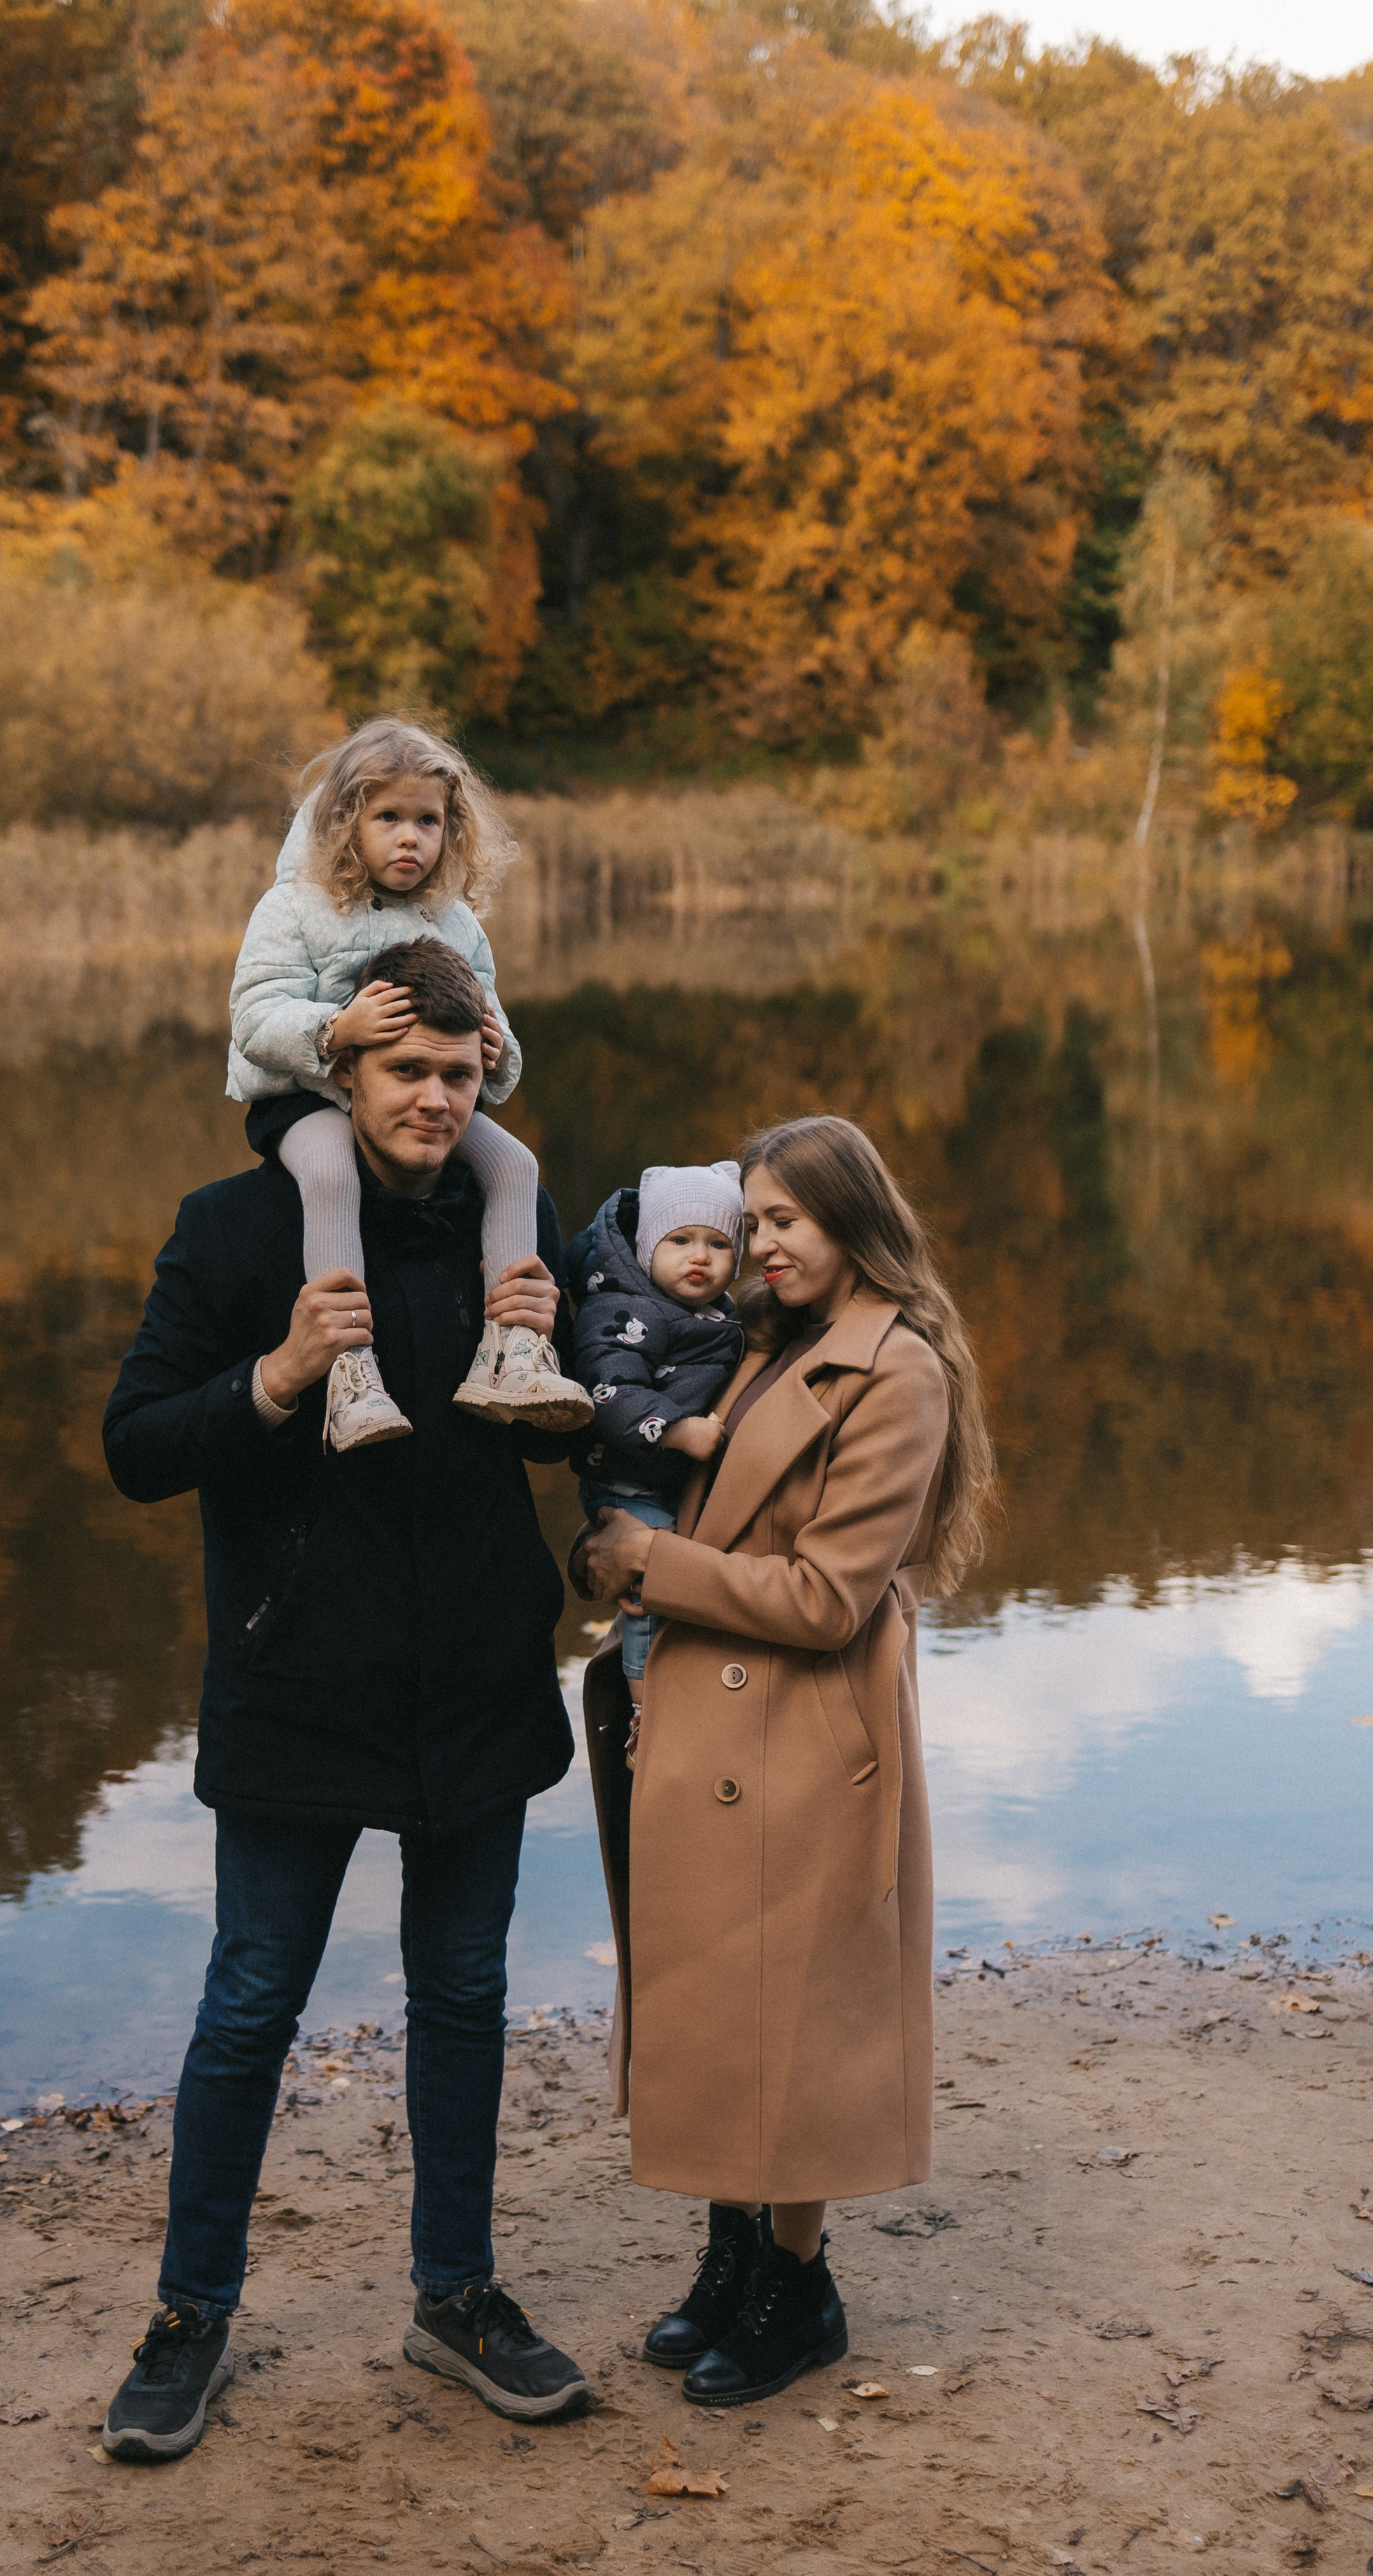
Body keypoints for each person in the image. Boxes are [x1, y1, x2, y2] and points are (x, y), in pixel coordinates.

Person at [98, 936, 592, 2464]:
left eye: (459, 1074)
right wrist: (273, 1375)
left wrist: (552, 1339)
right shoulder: (239, 1228)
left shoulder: (514, 1223)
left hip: (476, 1683)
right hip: (296, 1677)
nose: (435, 1098)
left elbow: (552, 1443)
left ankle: (454, 2297)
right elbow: (133, 1444)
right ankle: (190, 2316)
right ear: (345, 1069)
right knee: (250, 2000)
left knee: (463, 1998)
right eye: (406, 1071)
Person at [574, 1114, 994, 2408]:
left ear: (851, 1220)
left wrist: (641, 1563)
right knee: (714, 2004)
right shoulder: (761, 1341)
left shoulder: (897, 1372)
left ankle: (798, 2288)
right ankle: (730, 2255)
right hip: (711, 1717)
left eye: (784, 1221)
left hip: (808, 1730)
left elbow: (825, 1598)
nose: (759, 1245)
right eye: (751, 1221)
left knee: (796, 2019)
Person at [227, 716, 592, 1450]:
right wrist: (337, 1028)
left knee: (516, 1165)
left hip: (415, 1100)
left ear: (451, 831)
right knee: (332, 1174)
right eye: (387, 817)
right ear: (344, 822)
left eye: (427, 821)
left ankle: (514, 1352)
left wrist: (496, 1048)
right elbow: (255, 1015)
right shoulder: (298, 906)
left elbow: (490, 1019)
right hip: (307, 1095)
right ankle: (349, 1371)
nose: (409, 838)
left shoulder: (455, 923)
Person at [565, 1161, 746, 1726]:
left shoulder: (708, 1312)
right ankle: (647, 1712)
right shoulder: (626, 1307)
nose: (700, 1256)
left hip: (657, 1479)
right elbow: (606, 1390)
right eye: (681, 1240)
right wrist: (676, 1428)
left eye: (719, 1243)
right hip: (627, 1479)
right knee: (649, 1593)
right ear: (647, 1250)